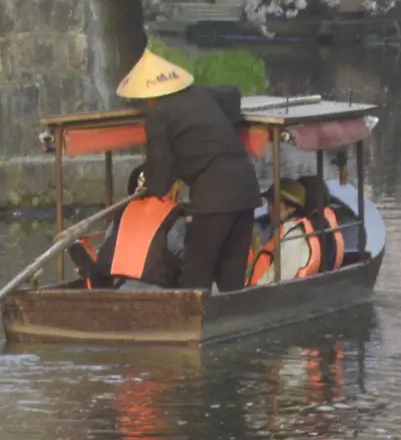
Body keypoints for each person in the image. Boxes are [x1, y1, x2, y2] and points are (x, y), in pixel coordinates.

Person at [120, 49, 263, 294]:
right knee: (232, 269)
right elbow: (232, 94)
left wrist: (150, 188)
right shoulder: (203, 95)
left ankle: (192, 324)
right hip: (246, 187)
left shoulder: (159, 114)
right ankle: (231, 322)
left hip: (214, 194)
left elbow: (160, 166)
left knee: (198, 269)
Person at [70, 164, 184, 288]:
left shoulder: (123, 212)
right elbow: (182, 254)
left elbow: (108, 245)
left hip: (116, 288)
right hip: (157, 291)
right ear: (173, 191)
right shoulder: (174, 217)